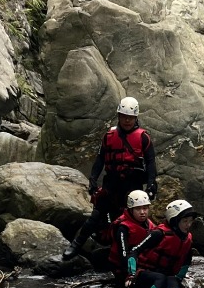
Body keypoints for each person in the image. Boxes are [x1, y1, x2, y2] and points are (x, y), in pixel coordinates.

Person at [62, 98, 157, 260]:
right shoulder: (109, 136)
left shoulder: (143, 137)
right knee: (96, 215)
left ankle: (132, 254)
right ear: (119, 116)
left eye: (130, 117)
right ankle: (76, 245)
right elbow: (100, 159)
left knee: (130, 219)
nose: (127, 120)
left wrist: (151, 185)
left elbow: (151, 163)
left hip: (132, 184)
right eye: (124, 116)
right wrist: (93, 179)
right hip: (112, 183)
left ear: (135, 118)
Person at [126, 199, 194, 288]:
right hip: (142, 274)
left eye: (190, 221)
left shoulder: (187, 239)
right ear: (174, 220)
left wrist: (179, 277)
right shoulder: (158, 234)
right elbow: (134, 251)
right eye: (185, 221)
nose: (188, 225)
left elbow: (187, 261)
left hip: (164, 275)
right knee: (160, 278)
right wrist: (131, 274)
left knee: (173, 280)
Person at [108, 190, 154, 286]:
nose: (142, 212)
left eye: (145, 208)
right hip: (122, 266)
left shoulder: (149, 224)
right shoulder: (123, 227)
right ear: (131, 210)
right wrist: (131, 273)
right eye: (138, 209)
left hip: (141, 262)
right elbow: (123, 253)